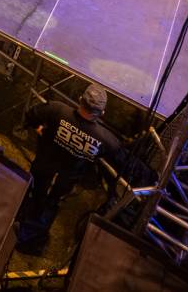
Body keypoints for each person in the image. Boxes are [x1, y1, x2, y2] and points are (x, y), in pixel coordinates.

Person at [14, 84, 121, 251]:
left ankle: (19, 226)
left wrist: (39, 129)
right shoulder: (108, 141)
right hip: (66, 180)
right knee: (51, 204)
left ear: (80, 100)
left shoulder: (57, 110)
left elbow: (31, 115)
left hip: (42, 168)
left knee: (33, 195)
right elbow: (110, 157)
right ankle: (30, 240)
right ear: (102, 113)